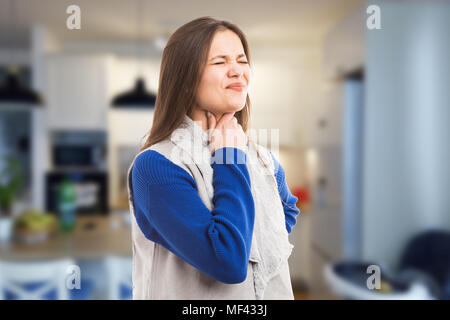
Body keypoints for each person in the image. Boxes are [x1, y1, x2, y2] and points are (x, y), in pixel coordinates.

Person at [127, 16, 300, 300]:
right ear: (184, 80)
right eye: (220, 62)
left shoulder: (264, 159)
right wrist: (228, 155)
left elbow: (287, 212)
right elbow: (228, 262)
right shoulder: (157, 166)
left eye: (242, 61)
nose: (237, 71)